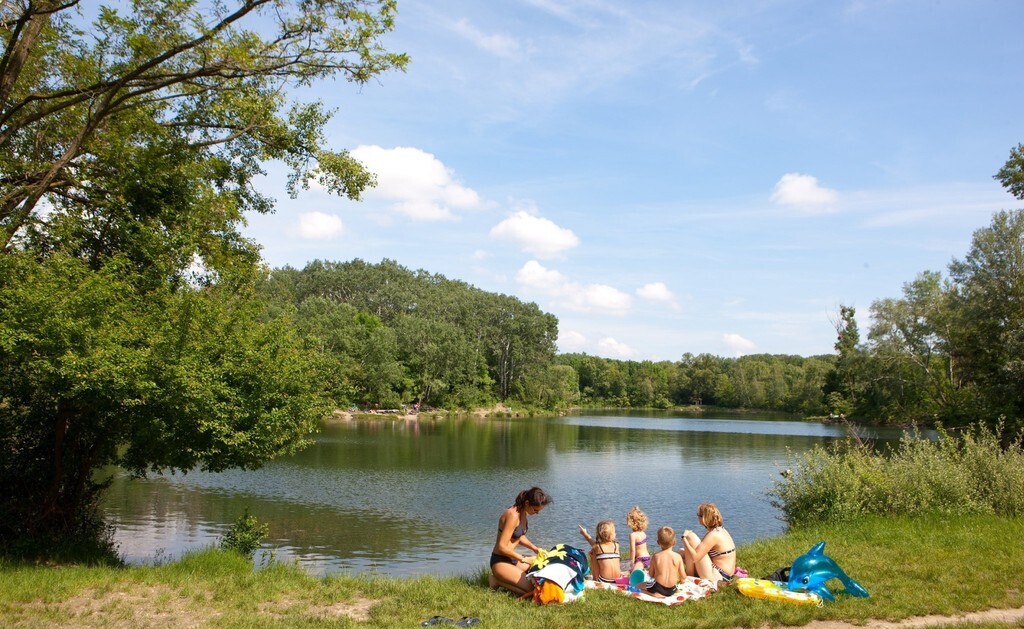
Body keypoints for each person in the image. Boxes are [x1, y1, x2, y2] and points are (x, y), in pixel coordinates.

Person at [488, 487, 551, 596]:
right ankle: (496, 580)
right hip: (500, 561)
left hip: (512, 560)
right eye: (535, 510)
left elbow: (518, 536)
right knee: (533, 591)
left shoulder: (523, 512)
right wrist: (524, 559)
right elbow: (501, 547)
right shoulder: (512, 515)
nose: (537, 513)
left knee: (542, 570)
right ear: (527, 503)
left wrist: (535, 548)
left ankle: (506, 578)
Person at [680, 502, 737, 586]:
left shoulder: (713, 535)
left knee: (690, 537)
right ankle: (664, 564)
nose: (697, 517)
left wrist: (684, 539)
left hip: (719, 576)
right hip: (725, 575)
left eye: (698, 515)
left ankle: (689, 576)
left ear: (703, 518)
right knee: (681, 552)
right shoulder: (720, 530)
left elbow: (695, 558)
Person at [645, 526, 685, 597]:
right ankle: (661, 594)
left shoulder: (656, 556)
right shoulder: (678, 557)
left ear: (658, 542)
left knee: (639, 585)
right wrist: (682, 581)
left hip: (658, 588)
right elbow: (683, 576)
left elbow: (651, 575)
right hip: (671, 590)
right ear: (674, 542)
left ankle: (653, 594)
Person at [578, 519, 621, 584]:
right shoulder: (616, 546)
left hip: (604, 580)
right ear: (612, 534)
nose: (615, 533)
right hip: (618, 579)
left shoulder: (598, 547)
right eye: (614, 532)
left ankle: (595, 579)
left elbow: (589, 539)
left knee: (593, 553)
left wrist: (584, 533)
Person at [626, 506, 652, 572]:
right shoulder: (643, 533)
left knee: (633, 574)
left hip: (640, 559)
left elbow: (633, 550)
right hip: (648, 558)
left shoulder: (633, 535)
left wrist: (632, 563)